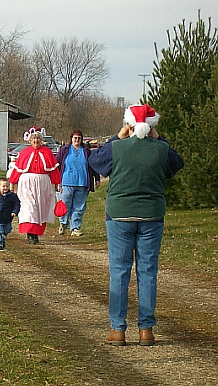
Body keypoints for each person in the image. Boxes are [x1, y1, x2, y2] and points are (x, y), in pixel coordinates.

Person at [88, 104, 184, 346]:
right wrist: (159, 138)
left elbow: (95, 161)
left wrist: (115, 137)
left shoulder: (117, 148)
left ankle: (118, 329)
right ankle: (146, 329)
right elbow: (176, 164)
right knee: (147, 272)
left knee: (120, 271)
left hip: (119, 215)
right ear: (152, 127)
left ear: (128, 124)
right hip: (151, 216)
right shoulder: (161, 149)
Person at [9, 126, 61, 244]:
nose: (36, 141)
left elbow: (53, 169)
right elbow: (18, 169)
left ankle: (36, 233)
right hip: (27, 183)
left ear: (41, 139)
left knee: (40, 209)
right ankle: (29, 233)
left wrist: (58, 183)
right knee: (29, 207)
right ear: (30, 140)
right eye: (33, 139)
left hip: (43, 184)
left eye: (38, 139)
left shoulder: (47, 152)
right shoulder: (25, 152)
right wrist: (12, 182)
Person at [55, 129, 100, 236]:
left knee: (79, 206)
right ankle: (63, 224)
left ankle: (75, 227)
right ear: (71, 139)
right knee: (65, 204)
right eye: (75, 138)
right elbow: (56, 165)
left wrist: (97, 178)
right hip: (66, 182)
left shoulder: (86, 151)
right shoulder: (65, 150)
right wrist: (57, 181)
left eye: (79, 138)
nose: (77, 140)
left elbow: (93, 165)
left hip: (82, 182)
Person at [0, 177, 21, 250]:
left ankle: (3, 237)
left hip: (8, 217)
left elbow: (17, 204)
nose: (5, 188)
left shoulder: (13, 196)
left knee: (8, 229)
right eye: (3, 186)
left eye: (7, 186)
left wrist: (14, 212)